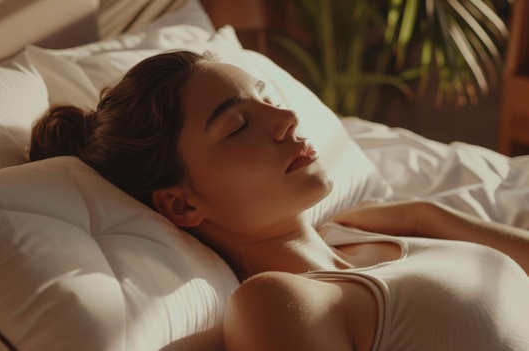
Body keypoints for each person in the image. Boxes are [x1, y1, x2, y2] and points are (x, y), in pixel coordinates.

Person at [29, 50, 529, 351]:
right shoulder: (274, 302)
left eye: (267, 100)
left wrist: (426, 215)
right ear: (182, 206)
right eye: (237, 126)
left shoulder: (366, 230)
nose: (286, 117)